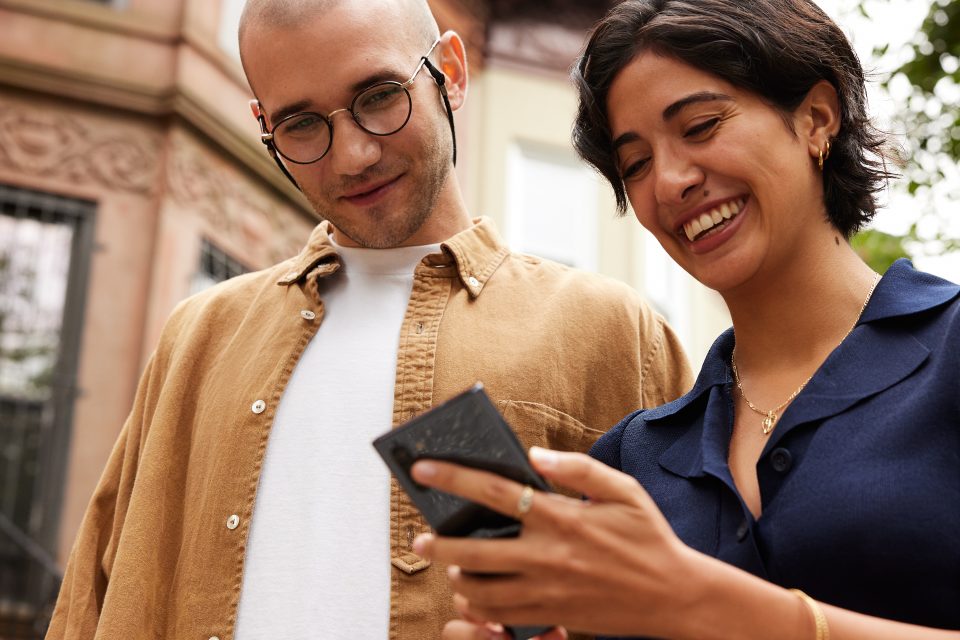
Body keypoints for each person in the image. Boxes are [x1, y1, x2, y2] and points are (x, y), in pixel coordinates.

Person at [45, 0, 693, 638]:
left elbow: (693, 601)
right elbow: (86, 604)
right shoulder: (198, 336)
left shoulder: (611, 330)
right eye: (301, 124)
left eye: (380, 95)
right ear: (264, 126)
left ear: (451, 71)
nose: (352, 155)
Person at [409, 0, 960, 638]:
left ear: (815, 118)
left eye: (700, 126)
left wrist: (708, 603)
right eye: (635, 164)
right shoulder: (632, 459)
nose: (669, 182)